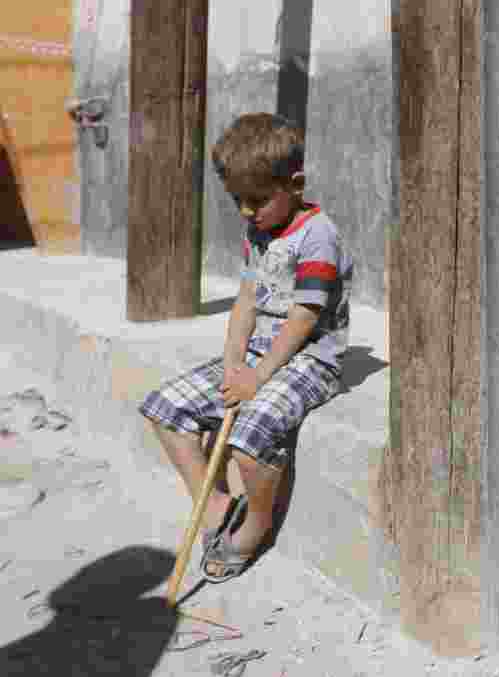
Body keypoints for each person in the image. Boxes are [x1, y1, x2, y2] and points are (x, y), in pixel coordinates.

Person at [139, 113, 353, 581]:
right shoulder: (259, 231)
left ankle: (256, 524)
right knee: (164, 408)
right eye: (238, 200)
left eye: (256, 200)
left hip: (308, 359)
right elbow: (246, 301)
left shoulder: (319, 236)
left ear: (294, 184)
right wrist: (235, 363)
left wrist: (258, 378)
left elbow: (304, 317)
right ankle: (215, 504)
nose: (246, 212)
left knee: (248, 439)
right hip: (258, 354)